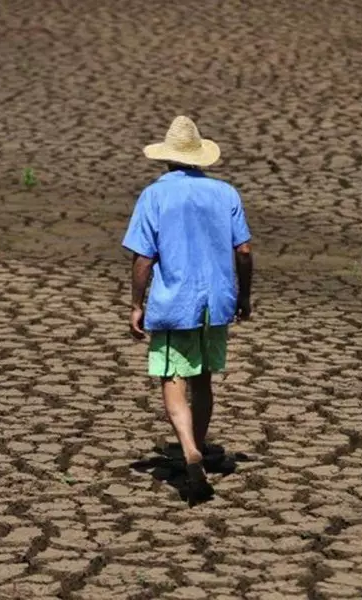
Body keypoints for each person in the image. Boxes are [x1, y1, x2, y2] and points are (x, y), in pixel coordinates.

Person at [121, 115, 254, 504]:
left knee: (172, 376)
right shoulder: (226, 194)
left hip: (174, 300)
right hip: (216, 302)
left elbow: (143, 258)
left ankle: (188, 449)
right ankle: (197, 441)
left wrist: (135, 304)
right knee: (203, 379)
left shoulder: (154, 195)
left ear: (166, 159)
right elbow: (243, 251)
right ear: (199, 158)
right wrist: (243, 297)